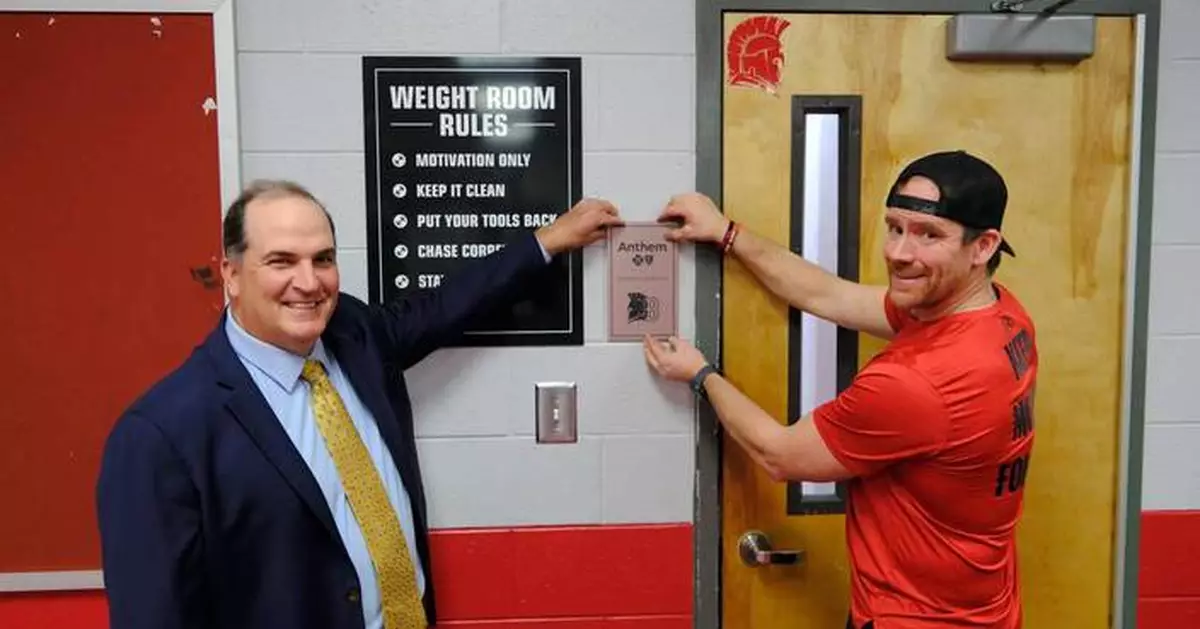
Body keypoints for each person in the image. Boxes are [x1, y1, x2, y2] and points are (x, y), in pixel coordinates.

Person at [95, 179, 622, 629]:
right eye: (281, 261)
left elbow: (445, 305)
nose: (308, 282)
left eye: (322, 259)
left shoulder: (353, 331)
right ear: (230, 274)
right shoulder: (162, 436)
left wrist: (547, 242)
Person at [643, 150, 1036, 629]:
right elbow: (827, 295)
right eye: (895, 227)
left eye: (929, 235)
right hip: (984, 613)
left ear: (983, 246)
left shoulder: (918, 382)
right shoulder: (1003, 317)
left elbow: (779, 454)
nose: (898, 253)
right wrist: (728, 234)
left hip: (910, 618)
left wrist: (700, 374)